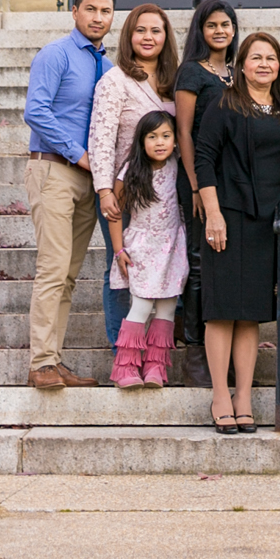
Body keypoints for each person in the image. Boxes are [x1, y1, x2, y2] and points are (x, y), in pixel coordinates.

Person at [195, 30, 280, 434]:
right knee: (223, 310)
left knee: (252, 312)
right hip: (229, 215)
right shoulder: (224, 105)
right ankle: (221, 394)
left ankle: (243, 396)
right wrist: (213, 213)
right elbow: (204, 158)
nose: (264, 64)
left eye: (271, 58)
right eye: (256, 57)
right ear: (241, 65)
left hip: (270, 220)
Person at [21, 0, 115, 390]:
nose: (98, 17)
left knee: (70, 274)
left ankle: (53, 361)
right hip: (54, 170)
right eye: (91, 9)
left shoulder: (108, 69)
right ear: (74, 12)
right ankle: (40, 362)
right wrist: (79, 154)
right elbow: (36, 111)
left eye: (106, 11)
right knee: (53, 269)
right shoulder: (55, 55)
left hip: (89, 181)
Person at [88, 3, 179, 350]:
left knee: (169, 265)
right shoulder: (115, 80)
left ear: (166, 37)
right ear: (129, 35)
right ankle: (122, 348)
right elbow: (100, 139)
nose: (148, 37)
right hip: (124, 190)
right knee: (123, 267)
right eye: (141, 30)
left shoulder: (174, 81)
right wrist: (104, 190)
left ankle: (158, 352)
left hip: (167, 192)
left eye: (156, 30)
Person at [174, 0, 239, 390]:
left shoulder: (238, 71)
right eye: (211, 25)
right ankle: (196, 353)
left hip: (234, 181)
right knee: (199, 263)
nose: (219, 30)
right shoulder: (191, 72)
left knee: (226, 263)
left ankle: (225, 349)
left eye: (226, 24)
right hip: (199, 180)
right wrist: (196, 185)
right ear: (200, 30)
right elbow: (183, 132)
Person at [106, 110, 189, 389]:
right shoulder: (130, 171)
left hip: (172, 245)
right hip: (141, 246)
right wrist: (119, 250)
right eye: (152, 137)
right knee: (141, 306)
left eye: (166, 136)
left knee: (166, 308)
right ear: (141, 142)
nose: (160, 142)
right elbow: (115, 213)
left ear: (176, 140)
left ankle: (155, 367)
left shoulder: (179, 165)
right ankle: (126, 368)